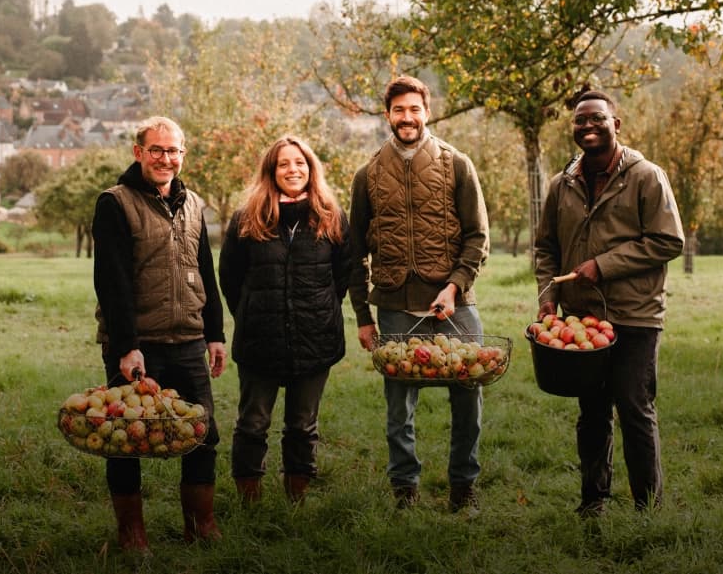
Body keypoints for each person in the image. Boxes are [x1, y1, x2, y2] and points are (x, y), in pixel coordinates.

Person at [533, 88, 684, 517]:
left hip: (635, 315)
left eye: (596, 118)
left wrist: (603, 265)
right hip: (583, 318)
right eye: (580, 120)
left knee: (635, 409)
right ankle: (593, 501)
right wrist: (549, 295)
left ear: (615, 124)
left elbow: (669, 240)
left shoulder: (646, 176)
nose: (588, 126)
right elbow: (545, 247)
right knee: (593, 413)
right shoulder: (561, 184)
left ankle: (647, 509)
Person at [348, 76, 490, 512]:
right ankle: (404, 489)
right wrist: (363, 317)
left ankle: (463, 487)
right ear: (387, 115)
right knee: (399, 407)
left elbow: (478, 236)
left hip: (454, 304)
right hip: (393, 305)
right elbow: (354, 253)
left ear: (427, 112)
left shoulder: (457, 164)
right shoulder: (367, 175)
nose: (406, 117)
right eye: (398, 110)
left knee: (468, 396)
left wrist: (453, 287)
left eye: (414, 109)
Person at [92, 116, 228, 551]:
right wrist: (126, 347)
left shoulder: (194, 204)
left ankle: (200, 525)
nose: (165, 159)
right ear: (139, 153)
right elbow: (110, 280)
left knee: (202, 433)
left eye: (173, 151)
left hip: (187, 340)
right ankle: (132, 532)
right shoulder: (114, 203)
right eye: (156, 150)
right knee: (125, 437)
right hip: (138, 345)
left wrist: (215, 334)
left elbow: (205, 272)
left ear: (183, 154)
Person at [219, 136, 351, 505]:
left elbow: (343, 276)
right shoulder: (246, 218)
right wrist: (252, 314)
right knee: (252, 423)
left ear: (311, 169)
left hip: (315, 339)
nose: (293, 170)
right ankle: (250, 502)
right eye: (283, 164)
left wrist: (317, 311)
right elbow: (230, 278)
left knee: (303, 425)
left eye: (299, 163)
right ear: (271, 171)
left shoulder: (332, 216)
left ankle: (297, 500)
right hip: (259, 340)